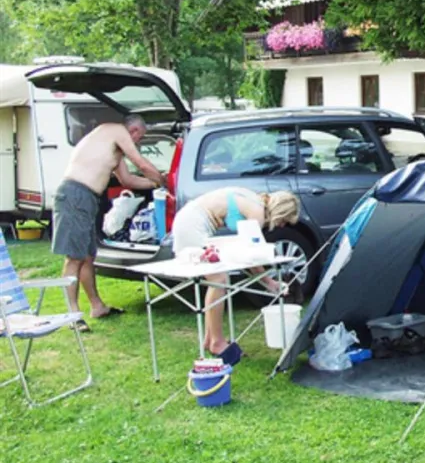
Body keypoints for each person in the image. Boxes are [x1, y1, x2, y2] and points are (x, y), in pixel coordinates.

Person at [53, 114, 164, 333]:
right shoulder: (114, 130)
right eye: (139, 138)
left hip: (88, 198)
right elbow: (140, 163)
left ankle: (97, 307)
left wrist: (155, 183)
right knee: (74, 257)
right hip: (75, 194)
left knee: (87, 256)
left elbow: (128, 180)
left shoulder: (114, 150)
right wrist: (163, 180)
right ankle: (72, 315)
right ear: (133, 131)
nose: (138, 142)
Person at [171, 187, 301, 363]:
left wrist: (268, 281)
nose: (283, 225)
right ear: (280, 212)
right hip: (192, 225)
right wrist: (270, 283)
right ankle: (217, 342)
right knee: (218, 279)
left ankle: (210, 340)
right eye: (285, 220)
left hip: (188, 218)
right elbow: (252, 258)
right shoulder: (257, 213)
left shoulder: (255, 200)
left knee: (218, 279)